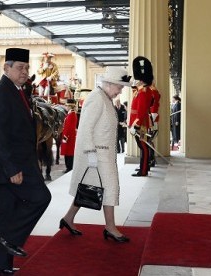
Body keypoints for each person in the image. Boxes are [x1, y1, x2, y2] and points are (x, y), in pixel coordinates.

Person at [0, 48, 52, 276]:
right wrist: (11, 168)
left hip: (21, 161)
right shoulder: (0, 93)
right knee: (41, 198)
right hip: (12, 164)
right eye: (20, 68)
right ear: (6, 67)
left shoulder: (16, 90)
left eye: (26, 68)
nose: (24, 72)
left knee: (6, 211)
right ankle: (9, 238)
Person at [59, 66, 131, 243]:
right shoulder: (96, 98)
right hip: (96, 155)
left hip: (104, 154)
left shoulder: (104, 97)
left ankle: (68, 218)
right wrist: (90, 154)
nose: (120, 91)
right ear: (109, 84)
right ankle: (110, 228)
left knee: (88, 189)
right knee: (108, 188)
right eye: (119, 87)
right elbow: (85, 129)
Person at [129, 56, 154, 177]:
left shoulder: (144, 92)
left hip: (141, 124)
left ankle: (143, 170)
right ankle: (144, 167)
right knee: (142, 146)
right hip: (140, 123)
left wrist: (136, 124)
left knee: (143, 146)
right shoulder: (142, 90)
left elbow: (142, 110)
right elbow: (135, 92)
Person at [60, 99, 78, 173]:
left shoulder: (72, 114)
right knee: (67, 152)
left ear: (70, 106)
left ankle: (69, 167)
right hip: (68, 136)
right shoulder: (70, 114)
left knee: (69, 153)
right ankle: (68, 167)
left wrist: (65, 137)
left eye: (67, 106)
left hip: (69, 137)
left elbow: (69, 127)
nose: (66, 107)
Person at [147, 84, 161, 167]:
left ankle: (151, 160)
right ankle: (151, 160)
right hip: (152, 117)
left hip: (151, 118)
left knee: (148, 141)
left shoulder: (153, 92)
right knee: (149, 141)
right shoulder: (154, 92)